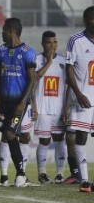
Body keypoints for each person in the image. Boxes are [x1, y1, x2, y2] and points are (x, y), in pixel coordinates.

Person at [0, 18, 37, 188]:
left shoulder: (28, 52)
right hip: (4, 103)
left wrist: (23, 103)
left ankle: (21, 174)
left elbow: (32, 80)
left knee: (11, 134)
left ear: (11, 31)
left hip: (19, 103)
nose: (1, 33)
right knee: (8, 136)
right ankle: (13, 175)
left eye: (3, 30)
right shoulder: (2, 53)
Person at [65, 6, 94, 193]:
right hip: (83, 99)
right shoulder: (75, 41)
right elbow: (68, 69)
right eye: (91, 18)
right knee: (81, 137)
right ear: (85, 21)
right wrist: (79, 93)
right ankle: (84, 180)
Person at [33, 31, 67, 184]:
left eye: (54, 42)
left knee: (60, 140)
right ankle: (42, 173)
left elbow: (68, 85)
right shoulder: (37, 59)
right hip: (42, 108)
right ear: (42, 43)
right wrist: (48, 62)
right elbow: (33, 81)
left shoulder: (63, 61)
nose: (52, 45)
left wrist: (66, 108)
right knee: (45, 141)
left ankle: (60, 173)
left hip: (59, 108)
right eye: (48, 42)